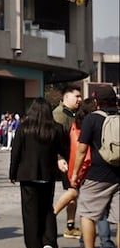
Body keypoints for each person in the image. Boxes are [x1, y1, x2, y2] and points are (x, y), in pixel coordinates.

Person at [9, 98, 69, 248]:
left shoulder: (24, 128)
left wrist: (13, 173)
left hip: (28, 175)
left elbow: (16, 152)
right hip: (47, 175)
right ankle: (49, 240)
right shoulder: (56, 128)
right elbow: (63, 150)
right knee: (47, 209)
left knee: (30, 212)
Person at [70, 86, 120, 248]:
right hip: (119, 176)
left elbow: (82, 150)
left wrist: (75, 173)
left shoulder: (92, 119)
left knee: (87, 213)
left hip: (98, 175)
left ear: (97, 102)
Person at [53, 84, 84, 238]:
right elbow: (54, 140)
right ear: (66, 97)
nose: (80, 99)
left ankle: (70, 226)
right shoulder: (59, 115)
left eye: (80, 96)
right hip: (65, 160)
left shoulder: (73, 113)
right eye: (76, 96)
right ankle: (50, 217)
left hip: (72, 159)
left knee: (74, 192)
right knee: (73, 191)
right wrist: (59, 158)